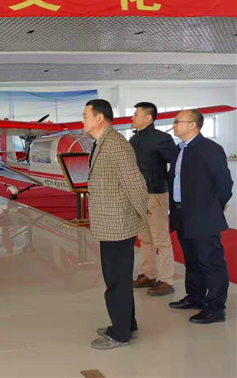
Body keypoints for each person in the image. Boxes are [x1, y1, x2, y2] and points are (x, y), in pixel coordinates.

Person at [83, 99, 148, 350]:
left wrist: (142, 215)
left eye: (86, 115)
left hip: (118, 224)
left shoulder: (115, 144)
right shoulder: (103, 142)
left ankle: (119, 334)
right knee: (118, 277)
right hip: (111, 222)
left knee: (116, 280)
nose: (83, 120)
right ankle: (127, 324)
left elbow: (135, 183)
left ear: (99, 118)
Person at [168, 109, 232, 324]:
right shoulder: (179, 149)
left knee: (211, 262)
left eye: (178, 121)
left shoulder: (210, 149)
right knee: (192, 259)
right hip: (181, 213)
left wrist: (214, 207)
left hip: (203, 215)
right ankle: (195, 297)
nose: (174, 125)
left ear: (192, 125)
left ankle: (215, 308)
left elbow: (224, 183)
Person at [130, 102, 178, 296]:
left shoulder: (162, 139)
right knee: (145, 238)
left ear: (148, 117)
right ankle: (149, 275)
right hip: (138, 195)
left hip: (156, 194)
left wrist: (169, 186)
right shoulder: (134, 139)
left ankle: (166, 280)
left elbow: (177, 164)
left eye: (136, 114)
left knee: (160, 239)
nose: (132, 117)